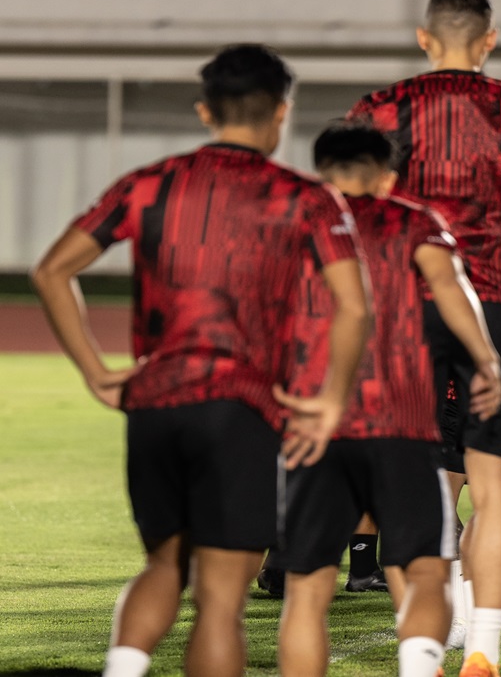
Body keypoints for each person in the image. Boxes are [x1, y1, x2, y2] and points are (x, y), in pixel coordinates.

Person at [31, 44, 370, 677]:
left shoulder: (147, 182)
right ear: (281, 113)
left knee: (163, 564)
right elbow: (353, 305)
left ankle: (124, 669)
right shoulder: (306, 199)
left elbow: (52, 271)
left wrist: (95, 369)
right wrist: (329, 399)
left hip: (156, 403)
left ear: (204, 110)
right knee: (221, 603)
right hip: (241, 408)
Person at [348, 0, 501, 675]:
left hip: (406, 307)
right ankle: (482, 650)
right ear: (490, 41)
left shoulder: (378, 109)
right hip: (497, 306)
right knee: (495, 482)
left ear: (423, 38)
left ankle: (420, 656)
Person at [274, 124, 501, 677]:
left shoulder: (290, 223)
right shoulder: (413, 221)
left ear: (320, 167)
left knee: (306, 589)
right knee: (422, 568)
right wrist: (487, 358)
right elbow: (453, 290)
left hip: (315, 422)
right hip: (402, 419)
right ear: (388, 173)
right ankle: (420, 668)